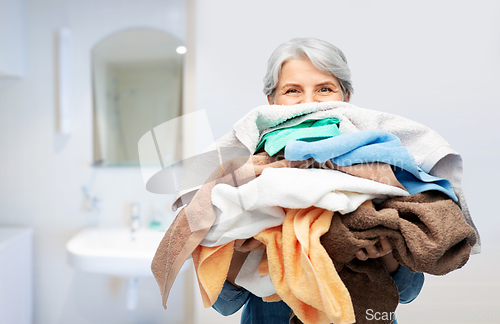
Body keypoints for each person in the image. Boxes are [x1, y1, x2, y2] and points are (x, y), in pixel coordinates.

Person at [212, 38, 424, 324]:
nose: (309, 102)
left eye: (325, 89)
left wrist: (385, 254)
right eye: (292, 91)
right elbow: (224, 305)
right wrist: (238, 248)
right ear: (271, 102)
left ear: (346, 98)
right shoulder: (242, 178)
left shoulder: (381, 168)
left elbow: (408, 292)